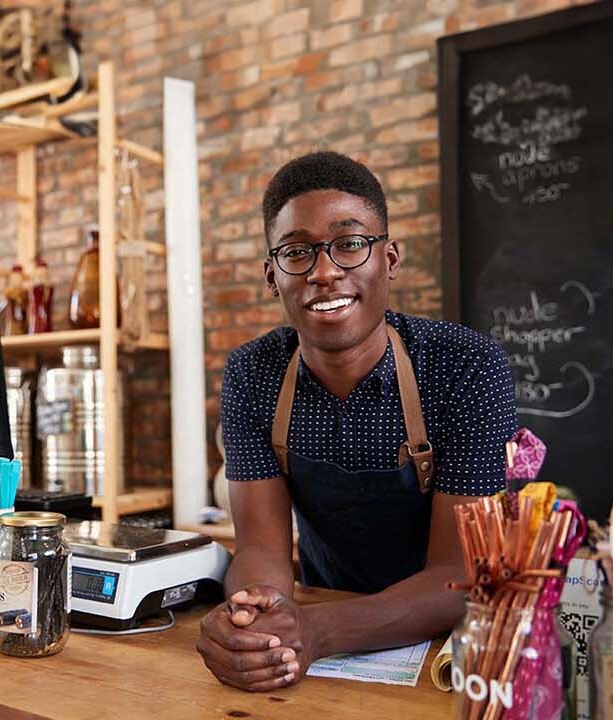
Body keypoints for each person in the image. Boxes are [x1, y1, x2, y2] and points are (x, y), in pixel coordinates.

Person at [196, 151, 516, 691]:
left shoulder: (466, 367)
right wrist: (255, 616)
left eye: (349, 243)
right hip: (318, 643)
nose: (324, 272)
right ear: (272, 276)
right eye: (296, 252)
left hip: (447, 653)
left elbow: (461, 576)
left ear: (388, 259)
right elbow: (260, 549)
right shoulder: (252, 373)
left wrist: (317, 630)